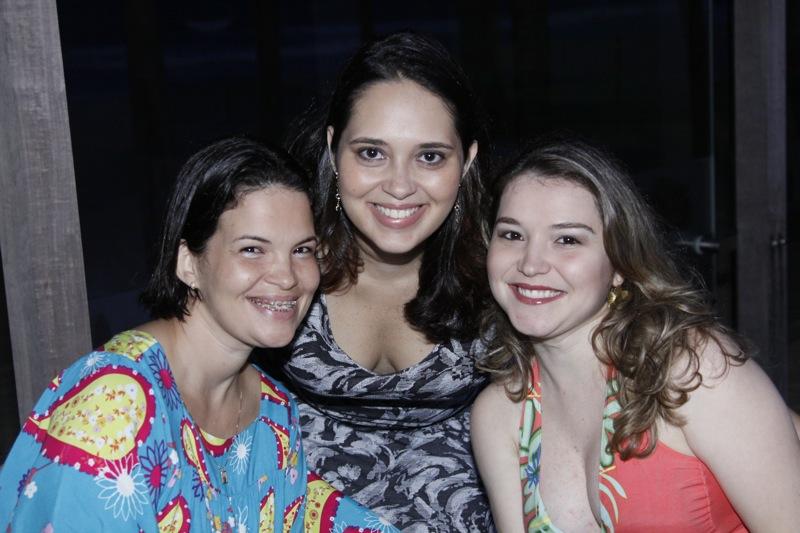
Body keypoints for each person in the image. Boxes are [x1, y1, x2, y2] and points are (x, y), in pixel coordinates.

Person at [0, 137, 395, 532]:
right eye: (252, 250)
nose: (287, 277)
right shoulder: (114, 404)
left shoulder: (272, 411)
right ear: (188, 263)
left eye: (302, 250)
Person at [471, 136, 800, 531]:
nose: (531, 263)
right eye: (512, 235)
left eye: (567, 239)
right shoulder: (499, 416)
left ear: (619, 264)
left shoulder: (688, 370)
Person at [276, 32, 494, 531]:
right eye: (372, 153)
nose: (399, 185)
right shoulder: (281, 269)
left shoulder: (506, 277)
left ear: (467, 160)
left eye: (430, 156)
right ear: (333, 148)